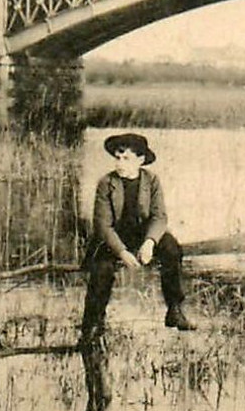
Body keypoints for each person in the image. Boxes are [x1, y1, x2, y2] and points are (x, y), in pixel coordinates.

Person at [78, 132, 194, 344]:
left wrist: (149, 243)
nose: (120, 163)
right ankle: (92, 324)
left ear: (140, 160)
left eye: (126, 158)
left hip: (142, 235)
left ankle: (174, 309)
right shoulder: (106, 183)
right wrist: (122, 252)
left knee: (171, 249)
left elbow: (159, 216)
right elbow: (103, 225)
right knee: (101, 269)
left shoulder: (152, 181)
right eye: (117, 157)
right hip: (113, 237)